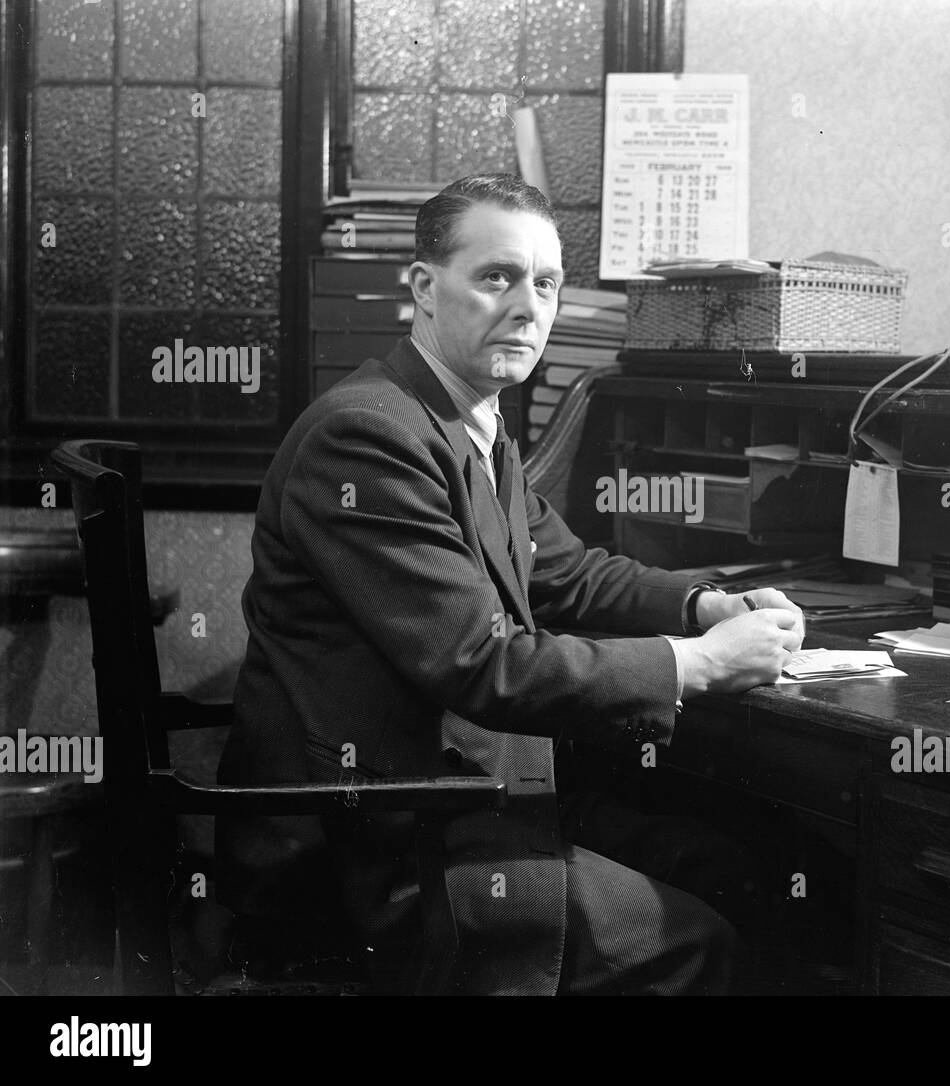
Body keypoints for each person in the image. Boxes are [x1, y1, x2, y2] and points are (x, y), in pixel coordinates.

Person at [216, 173, 805, 995]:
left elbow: (567, 573)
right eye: (497, 277)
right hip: (377, 850)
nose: (528, 306)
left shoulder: (468, 422)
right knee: (697, 942)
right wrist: (697, 663)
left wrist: (705, 604)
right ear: (424, 287)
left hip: (456, 800)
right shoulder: (368, 437)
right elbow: (480, 664)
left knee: (735, 868)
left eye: (547, 283)